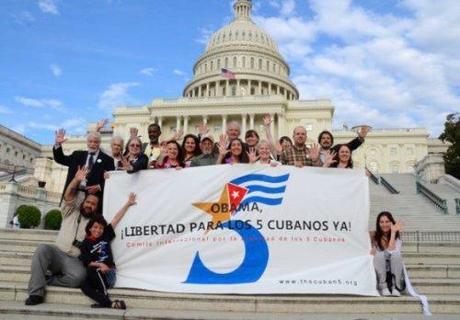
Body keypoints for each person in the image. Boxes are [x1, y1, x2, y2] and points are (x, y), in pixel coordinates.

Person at [25, 166, 99, 306]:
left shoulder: (96, 223)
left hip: (75, 260)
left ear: (96, 207)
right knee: (42, 249)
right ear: (83, 202)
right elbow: (68, 195)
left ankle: (48, 280)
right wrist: (76, 180)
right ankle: (36, 294)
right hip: (57, 253)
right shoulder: (70, 210)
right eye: (88, 202)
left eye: (93, 204)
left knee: (79, 277)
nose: (89, 205)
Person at [79, 193, 137, 310]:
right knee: (84, 285)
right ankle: (109, 303)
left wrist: (128, 204)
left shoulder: (105, 235)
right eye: (95, 227)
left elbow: (116, 218)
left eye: (100, 228)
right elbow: (87, 262)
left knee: (92, 270)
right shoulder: (85, 243)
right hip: (97, 273)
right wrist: (100, 264)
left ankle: (104, 298)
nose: (98, 230)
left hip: (109, 274)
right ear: (90, 228)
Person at [53, 129, 115, 203]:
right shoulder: (77, 155)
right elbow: (61, 159)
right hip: (72, 195)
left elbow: (112, 179)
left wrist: (100, 186)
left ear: (99, 143)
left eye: (95, 142)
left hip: (92, 199)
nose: (92, 144)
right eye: (90, 141)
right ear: (87, 142)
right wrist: (57, 144)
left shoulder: (108, 160)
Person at [370, 211, 405, 297]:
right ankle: (383, 287)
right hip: (380, 271)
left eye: (387, 222)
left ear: (391, 222)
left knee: (396, 255)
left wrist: (393, 233)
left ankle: (396, 287)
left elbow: (391, 252)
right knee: (379, 255)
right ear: (378, 224)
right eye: (381, 222)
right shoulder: (373, 236)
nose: (384, 224)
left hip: (392, 269)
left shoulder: (397, 238)